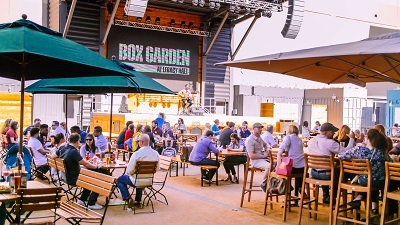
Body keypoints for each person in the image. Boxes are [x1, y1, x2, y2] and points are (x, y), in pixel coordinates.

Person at [338, 129, 391, 214]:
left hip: (365, 181)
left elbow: (341, 155)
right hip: (382, 182)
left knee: (368, 179)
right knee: (372, 180)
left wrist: (352, 159)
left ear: (368, 139)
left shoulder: (360, 150)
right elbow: (390, 163)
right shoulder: (383, 152)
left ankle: (359, 198)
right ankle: (375, 207)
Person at [52, 133, 104, 210]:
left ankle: (82, 200)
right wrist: (96, 166)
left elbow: (53, 156)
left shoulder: (63, 147)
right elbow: (86, 164)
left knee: (90, 176)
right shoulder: (73, 151)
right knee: (96, 179)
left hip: (64, 176)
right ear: (78, 141)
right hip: (73, 178)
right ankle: (91, 203)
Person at [307, 122, 355, 204]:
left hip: (314, 172)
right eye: (332, 131)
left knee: (330, 169)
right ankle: (333, 196)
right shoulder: (329, 142)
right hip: (326, 174)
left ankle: (326, 195)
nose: (334, 133)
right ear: (326, 132)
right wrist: (352, 139)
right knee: (342, 171)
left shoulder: (311, 141)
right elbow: (347, 151)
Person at [116, 134, 160, 207]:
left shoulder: (137, 154)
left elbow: (129, 170)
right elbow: (157, 169)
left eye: (138, 142)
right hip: (149, 180)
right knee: (139, 177)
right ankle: (138, 200)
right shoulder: (156, 154)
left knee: (119, 180)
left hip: (136, 180)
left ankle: (127, 198)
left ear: (141, 142)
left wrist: (130, 174)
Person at [277, 125, 304, 193]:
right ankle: (299, 187)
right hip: (302, 168)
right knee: (297, 168)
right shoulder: (299, 140)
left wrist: (278, 165)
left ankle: (286, 187)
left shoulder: (288, 138)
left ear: (288, 131)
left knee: (280, 168)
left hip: (291, 168)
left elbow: (280, 152)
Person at [245, 122, 269, 192]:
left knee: (277, 165)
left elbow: (265, 144)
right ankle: (264, 184)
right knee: (269, 166)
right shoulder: (250, 140)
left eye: (261, 128)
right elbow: (251, 156)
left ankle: (276, 185)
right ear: (253, 129)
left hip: (263, 159)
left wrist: (267, 148)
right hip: (256, 161)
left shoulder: (259, 137)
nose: (260, 129)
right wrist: (263, 155)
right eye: (258, 128)